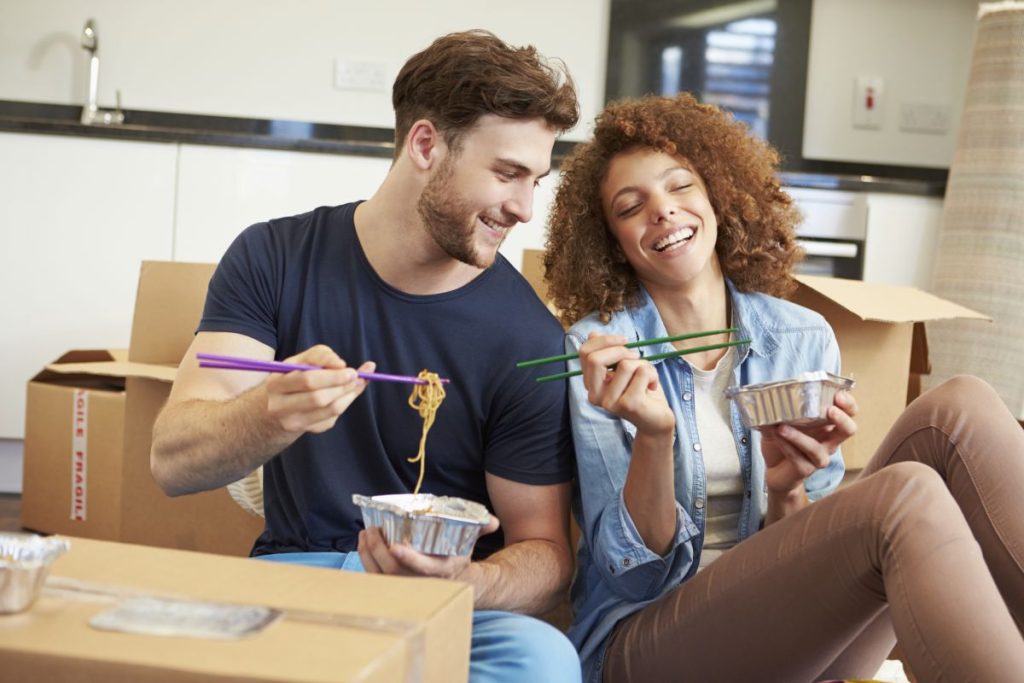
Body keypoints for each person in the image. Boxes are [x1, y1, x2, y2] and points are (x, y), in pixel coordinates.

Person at [543, 93, 1024, 683]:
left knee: (960, 408)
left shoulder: (800, 333)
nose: (663, 211)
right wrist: (654, 434)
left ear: (717, 193)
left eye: (680, 187)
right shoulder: (600, 352)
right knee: (905, 493)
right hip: (648, 645)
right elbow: (633, 575)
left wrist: (788, 490)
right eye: (630, 206)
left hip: (786, 641)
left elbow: (813, 560)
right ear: (610, 240)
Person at [151, 30, 582, 683]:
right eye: (507, 173)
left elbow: (547, 556)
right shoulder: (274, 257)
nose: (524, 208)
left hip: (450, 599)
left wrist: (467, 575)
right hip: (298, 576)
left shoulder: (527, 336)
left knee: (545, 660)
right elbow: (171, 461)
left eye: (535, 181)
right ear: (426, 145)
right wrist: (270, 412)